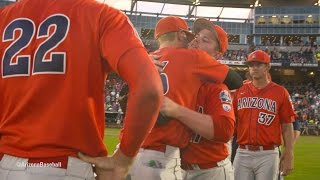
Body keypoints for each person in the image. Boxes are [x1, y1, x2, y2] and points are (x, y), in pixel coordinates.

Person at [0, 0, 163, 179]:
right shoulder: (101, 14)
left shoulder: (4, 17)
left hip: (5, 164)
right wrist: (124, 159)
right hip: (65, 165)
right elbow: (149, 87)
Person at [163, 18, 236, 180]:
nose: (196, 40)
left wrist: (178, 111)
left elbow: (224, 130)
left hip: (209, 171)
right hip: (178, 168)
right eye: (197, 36)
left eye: (205, 40)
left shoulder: (217, 87)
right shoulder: (178, 77)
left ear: (216, 55)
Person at [233, 50, 296, 180]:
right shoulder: (240, 91)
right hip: (242, 151)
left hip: (268, 153)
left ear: (267, 66)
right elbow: (232, 121)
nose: (254, 68)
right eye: (251, 65)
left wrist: (289, 152)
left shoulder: (280, 92)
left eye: (258, 64)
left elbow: (287, 124)